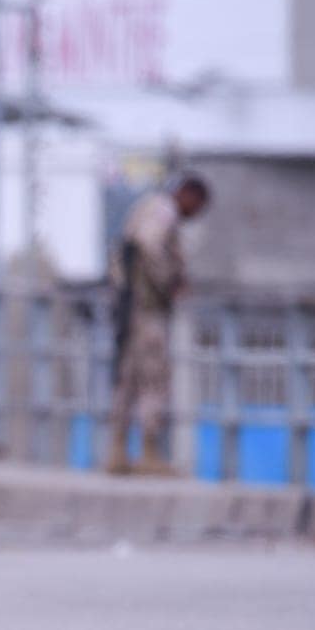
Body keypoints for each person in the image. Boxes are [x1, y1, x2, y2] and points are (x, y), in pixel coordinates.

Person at [107, 173, 211, 476]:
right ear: (189, 195)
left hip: (129, 308)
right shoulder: (164, 210)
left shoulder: (148, 205)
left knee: (127, 377)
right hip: (147, 309)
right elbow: (149, 245)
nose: (195, 213)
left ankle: (118, 451)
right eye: (198, 205)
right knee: (153, 378)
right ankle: (149, 452)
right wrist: (169, 280)